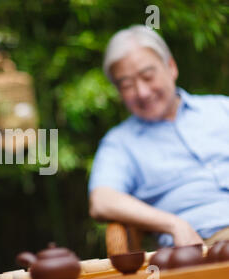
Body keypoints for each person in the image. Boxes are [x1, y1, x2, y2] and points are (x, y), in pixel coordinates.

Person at [88, 25, 229, 248]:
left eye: (148, 76)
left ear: (171, 67)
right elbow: (102, 201)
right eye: (127, 85)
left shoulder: (222, 108)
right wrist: (174, 224)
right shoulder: (120, 143)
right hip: (204, 247)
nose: (142, 92)